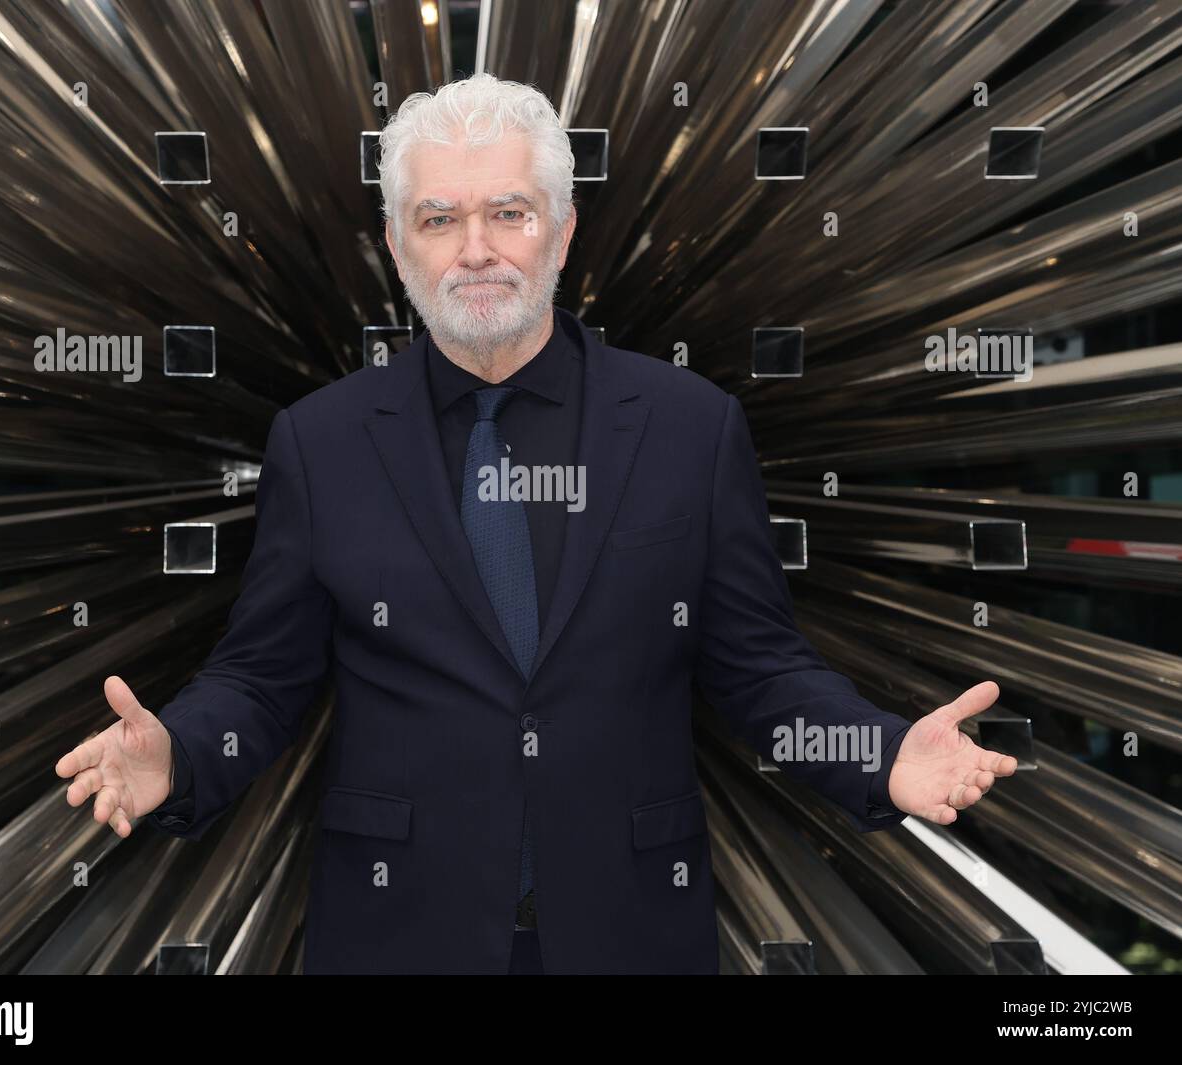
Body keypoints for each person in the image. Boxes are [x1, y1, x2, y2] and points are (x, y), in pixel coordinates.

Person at [55, 72, 1018, 974]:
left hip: (631, 931)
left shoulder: (689, 427)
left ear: (560, 231)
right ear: (398, 246)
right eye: (440, 219)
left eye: (507, 213)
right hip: (396, 936)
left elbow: (760, 669)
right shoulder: (322, 443)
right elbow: (264, 679)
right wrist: (178, 753)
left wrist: (880, 753)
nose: (476, 248)